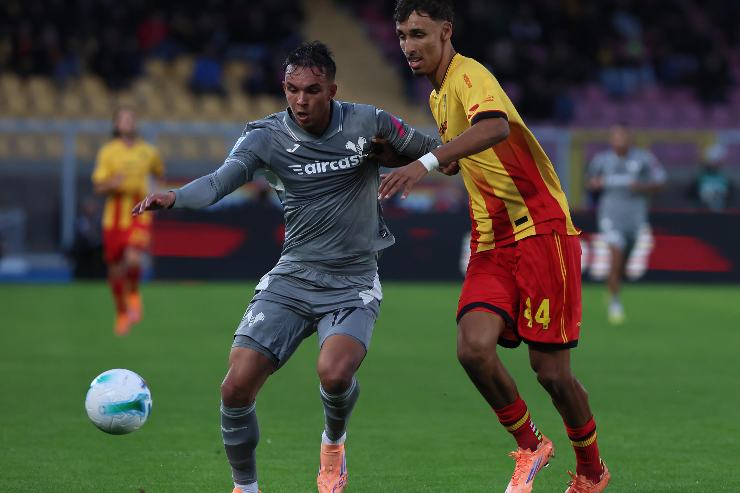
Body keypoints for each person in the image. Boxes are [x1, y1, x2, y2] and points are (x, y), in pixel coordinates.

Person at [132, 41, 439, 493]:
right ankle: (245, 487)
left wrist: (404, 159)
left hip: (353, 279)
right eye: (292, 90)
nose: (300, 100)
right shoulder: (265, 136)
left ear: (331, 90)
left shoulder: (369, 122)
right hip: (293, 275)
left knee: (335, 374)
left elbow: (438, 152)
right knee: (235, 388)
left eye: (312, 90)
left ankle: (333, 442)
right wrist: (175, 196)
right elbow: (219, 182)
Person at [380, 1, 610, 491]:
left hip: (540, 229)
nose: (408, 46)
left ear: (446, 32)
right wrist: (406, 154)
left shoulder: (469, 75)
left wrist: (423, 164)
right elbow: (458, 157)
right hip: (491, 240)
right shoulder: (439, 97)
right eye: (401, 35)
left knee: (551, 373)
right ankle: (531, 446)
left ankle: (591, 471)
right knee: (473, 349)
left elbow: (495, 127)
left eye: (418, 34)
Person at [92, 106, 165, 335]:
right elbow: (98, 186)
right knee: (115, 268)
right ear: (116, 125)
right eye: (123, 119)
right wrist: (112, 184)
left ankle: (133, 292)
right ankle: (121, 312)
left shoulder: (148, 151)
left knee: (133, 258)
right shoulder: (108, 152)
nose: (128, 122)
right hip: (114, 217)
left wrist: (157, 196)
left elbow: (158, 173)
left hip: (139, 212)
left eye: (131, 118)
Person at [587, 124, 665, 324]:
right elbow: (590, 183)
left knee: (624, 261)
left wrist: (641, 187)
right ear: (611, 139)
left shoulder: (644, 159)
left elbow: (660, 182)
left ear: (630, 138)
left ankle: (613, 285)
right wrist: (595, 185)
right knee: (616, 255)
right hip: (610, 216)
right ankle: (614, 303)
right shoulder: (601, 160)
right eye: (615, 136)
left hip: (635, 218)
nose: (619, 140)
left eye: (623, 136)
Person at [688, 143, 733, 212]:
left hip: (723, 210)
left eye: (717, 161)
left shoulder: (725, 178)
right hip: (702, 209)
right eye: (713, 161)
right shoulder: (700, 177)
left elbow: (729, 194)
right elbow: (691, 195)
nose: (715, 164)